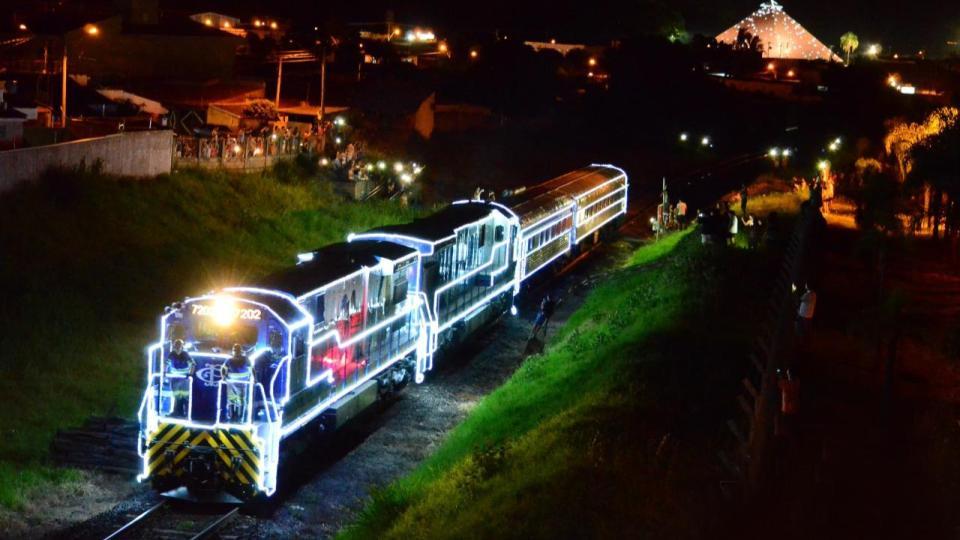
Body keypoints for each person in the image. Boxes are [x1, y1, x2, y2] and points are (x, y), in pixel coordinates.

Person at [221, 344, 254, 422]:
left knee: (241, 400)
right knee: (231, 399)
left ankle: (240, 417)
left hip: (242, 383)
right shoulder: (229, 360)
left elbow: (251, 369)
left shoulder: (246, 359)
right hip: (231, 383)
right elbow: (223, 368)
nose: (236, 352)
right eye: (234, 350)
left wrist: (254, 379)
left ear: (241, 351)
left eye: (237, 350)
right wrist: (223, 377)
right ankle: (232, 416)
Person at [165, 339, 195, 417]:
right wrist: (164, 372)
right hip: (175, 377)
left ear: (182, 347)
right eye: (176, 346)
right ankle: (177, 412)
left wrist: (190, 375)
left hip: (184, 378)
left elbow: (193, 364)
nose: (177, 348)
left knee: (185, 396)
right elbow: (166, 364)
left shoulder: (185, 355)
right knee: (176, 395)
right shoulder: (171, 354)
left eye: (179, 346)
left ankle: (186, 413)